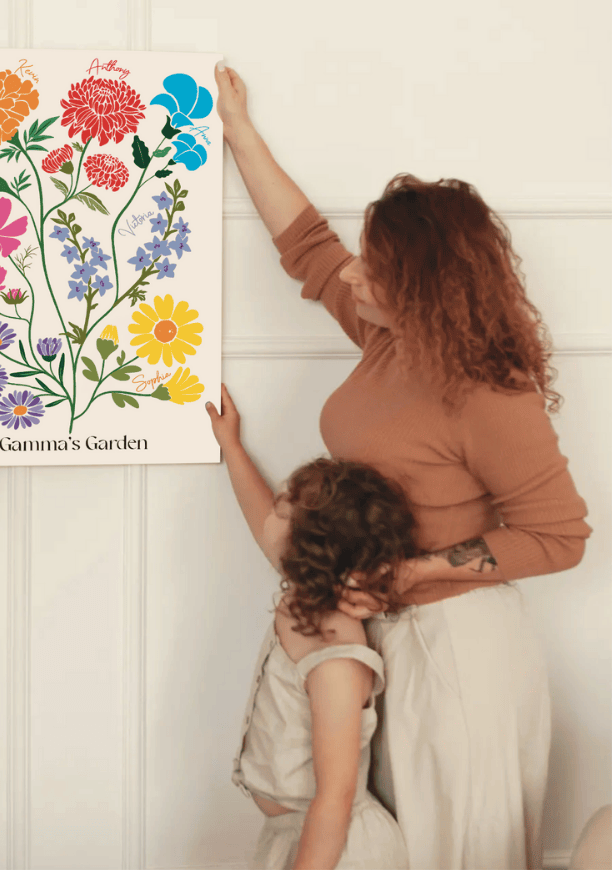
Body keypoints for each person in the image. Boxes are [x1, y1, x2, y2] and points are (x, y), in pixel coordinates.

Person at [212, 62, 591, 870]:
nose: (353, 275)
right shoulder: (395, 339)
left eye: (373, 269)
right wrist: (240, 134)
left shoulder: (489, 391)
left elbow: (562, 536)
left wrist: (412, 575)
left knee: (452, 852)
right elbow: (309, 250)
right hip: (388, 632)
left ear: (422, 288)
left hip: (456, 654)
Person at [204, 403, 412, 870]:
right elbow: (263, 525)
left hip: (337, 849)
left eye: (282, 508)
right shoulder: (311, 594)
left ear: (309, 547)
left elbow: (335, 797)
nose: (270, 518)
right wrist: (231, 446)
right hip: (298, 834)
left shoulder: (337, 659)